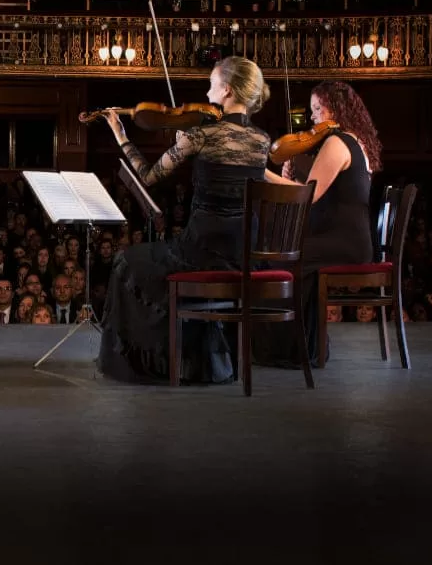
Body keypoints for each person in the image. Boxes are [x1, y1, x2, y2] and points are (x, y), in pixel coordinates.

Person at [96, 57, 272, 384]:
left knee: (125, 260)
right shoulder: (262, 141)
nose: (207, 92)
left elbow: (148, 176)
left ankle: (155, 363)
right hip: (242, 253)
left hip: (201, 251)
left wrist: (121, 136)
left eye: (211, 84)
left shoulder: (201, 135)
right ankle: (198, 359)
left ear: (227, 90)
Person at [260, 81, 382, 366]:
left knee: (281, 260)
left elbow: (307, 197)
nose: (312, 117)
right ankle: (308, 346)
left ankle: (293, 350)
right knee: (288, 254)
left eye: (317, 109)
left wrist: (261, 172)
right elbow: (316, 192)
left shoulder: (337, 143)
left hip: (343, 244)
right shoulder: (356, 140)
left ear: (336, 110)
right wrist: (291, 181)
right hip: (352, 241)